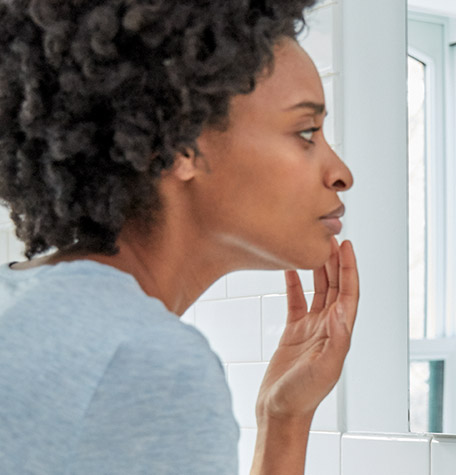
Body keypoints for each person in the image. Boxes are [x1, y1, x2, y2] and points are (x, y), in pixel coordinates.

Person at [0, 1, 356, 473]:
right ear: (180, 146)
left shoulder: (26, 304)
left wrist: (282, 420)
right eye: (306, 131)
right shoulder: (142, 363)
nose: (341, 174)